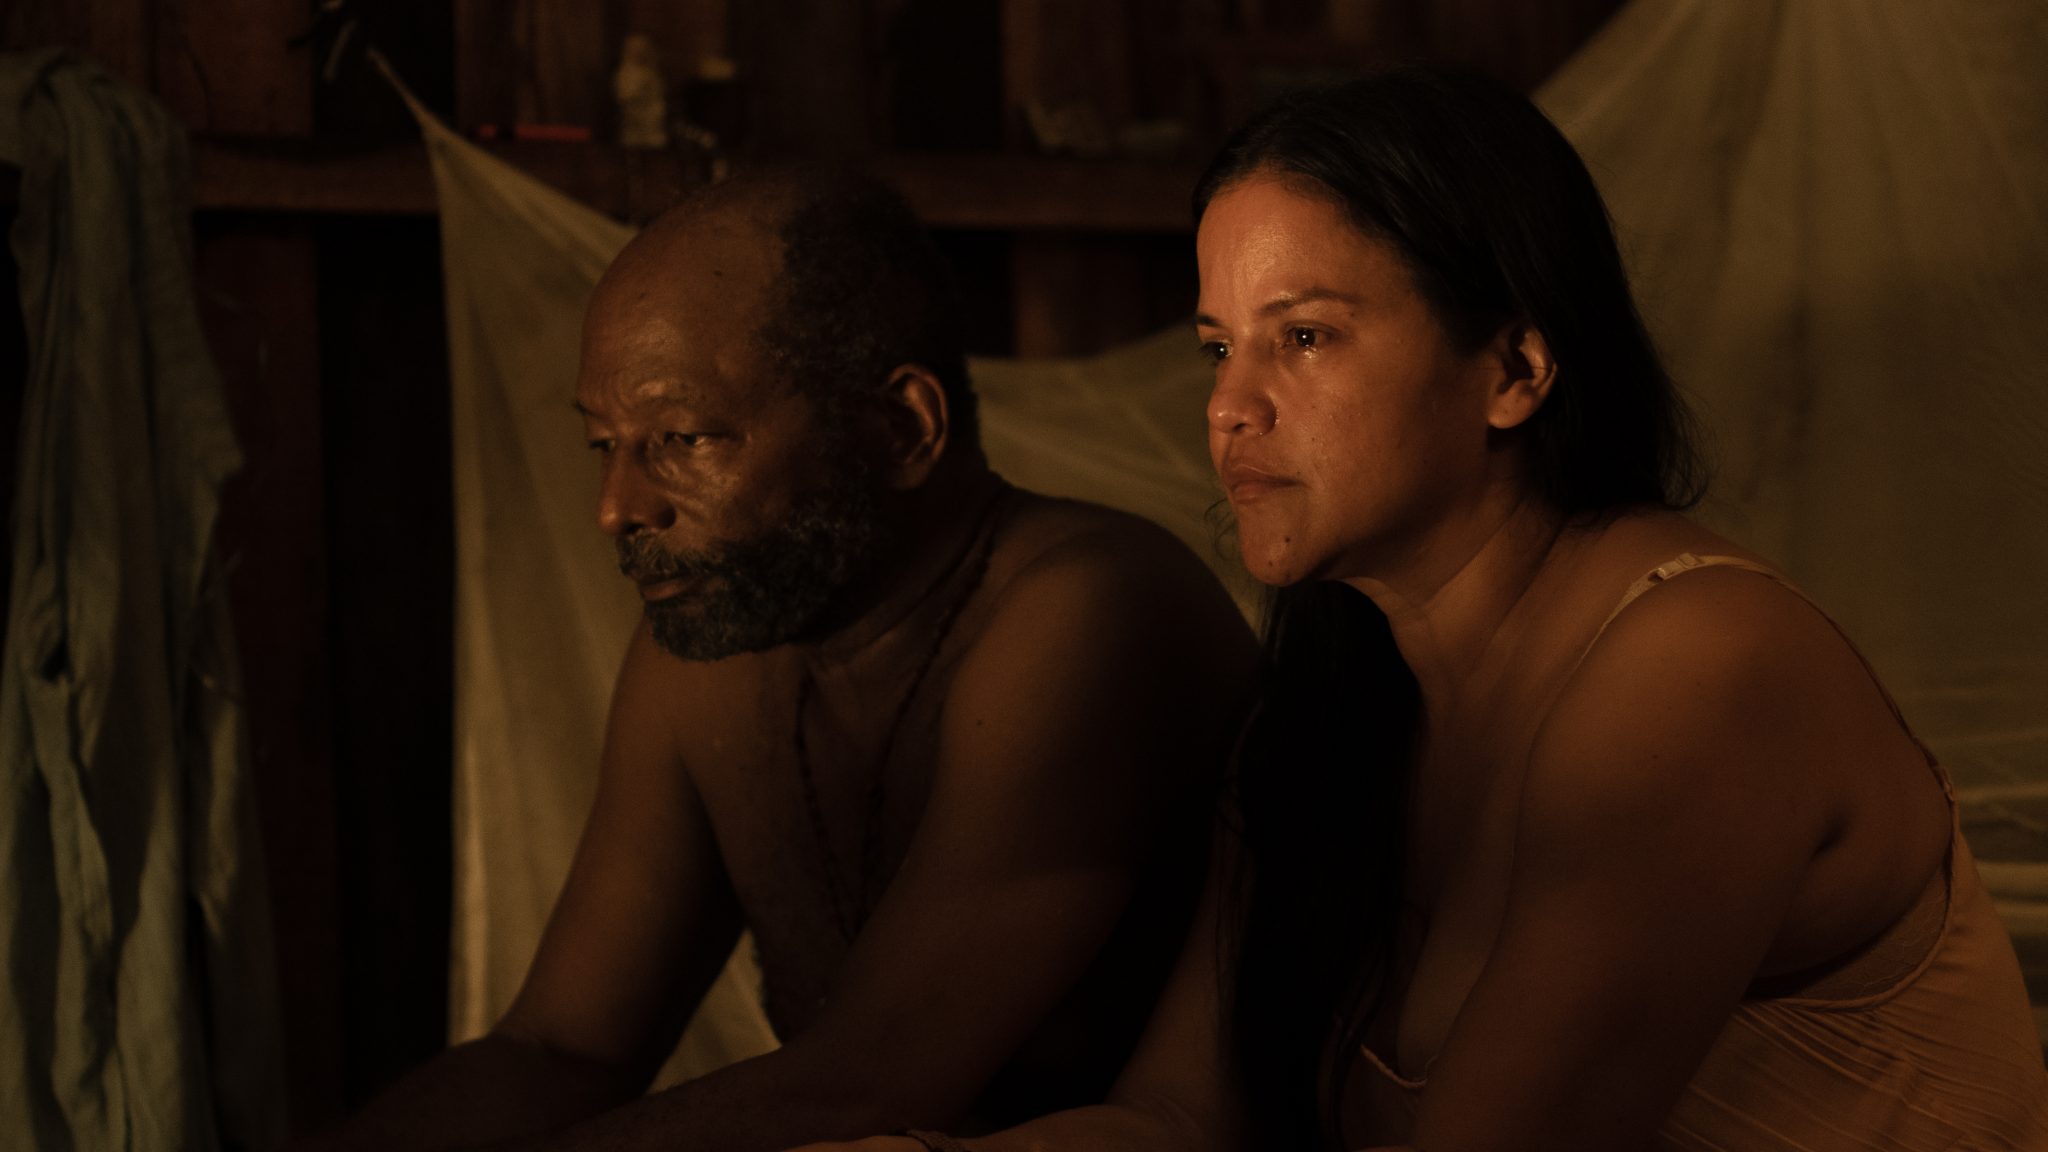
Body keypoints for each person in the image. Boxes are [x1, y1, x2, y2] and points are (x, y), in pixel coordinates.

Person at [794, 66, 2048, 1152]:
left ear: (1512, 371)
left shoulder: (1696, 672)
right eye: (1215, 346)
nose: (1231, 407)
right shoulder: (1333, 708)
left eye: (1305, 338)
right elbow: (1180, 1121)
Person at [305, 168, 1258, 1152]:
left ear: (901, 429)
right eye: (605, 444)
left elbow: (870, 1084)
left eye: (679, 439)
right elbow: (560, 1050)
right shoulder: (711, 649)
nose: (618, 507)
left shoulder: (1086, 608)